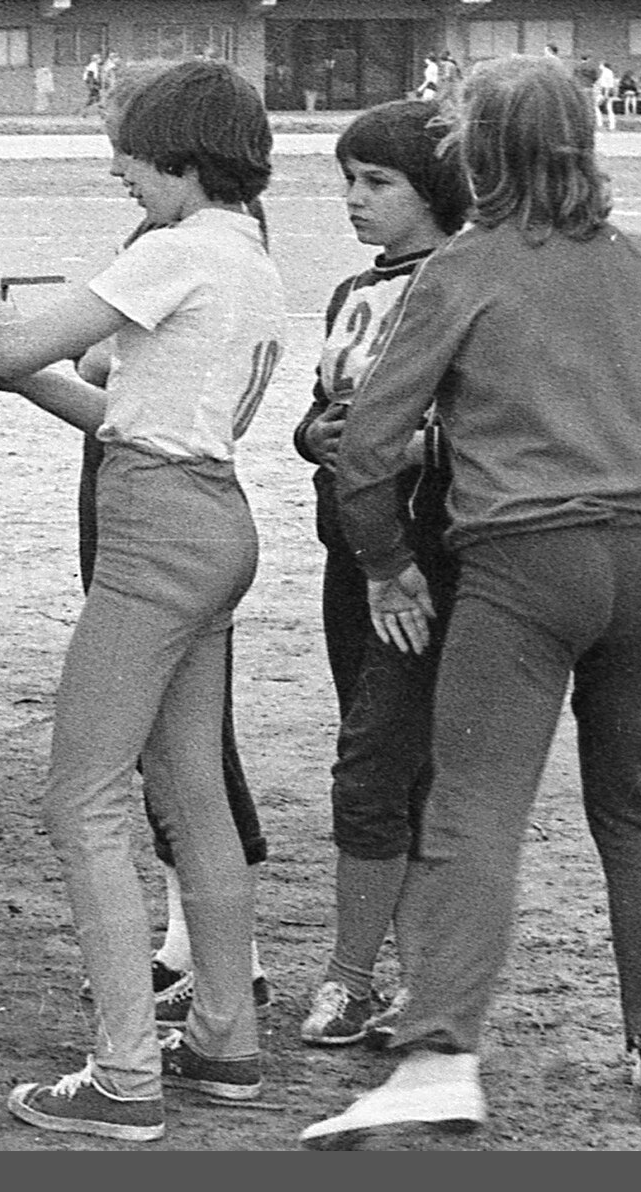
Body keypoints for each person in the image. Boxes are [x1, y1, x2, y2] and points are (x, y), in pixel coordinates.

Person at [300, 55, 641, 1146]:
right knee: (634, 808)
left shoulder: (463, 269)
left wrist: (387, 560)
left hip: (521, 564)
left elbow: (362, 447)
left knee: (472, 811)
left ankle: (443, 1048)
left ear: (473, 153)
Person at [0, 55, 286, 1142]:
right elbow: (113, 406)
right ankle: (222, 1038)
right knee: (190, 789)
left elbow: (22, 333)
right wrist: (2, 368)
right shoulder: (246, 254)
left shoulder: (178, 247)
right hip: (209, 515)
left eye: (137, 158)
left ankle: (121, 1072)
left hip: (156, 532)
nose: (121, 172)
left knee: (81, 795)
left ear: (185, 160)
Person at [286, 99, 470, 1049]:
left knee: (376, 771)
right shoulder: (354, 288)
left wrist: (401, 443)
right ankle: (413, 972)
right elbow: (321, 411)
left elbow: (486, 426)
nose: (354, 201)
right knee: (388, 761)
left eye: (377, 182)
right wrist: (315, 433)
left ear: (436, 188)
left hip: (426, 565)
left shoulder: (467, 284)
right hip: (348, 558)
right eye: (347, 181)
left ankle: (357, 976)